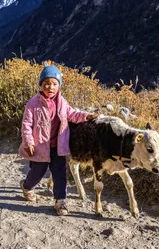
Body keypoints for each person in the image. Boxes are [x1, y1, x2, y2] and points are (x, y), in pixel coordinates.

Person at [19, 64, 99, 216]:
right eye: (46, 83)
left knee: (60, 175)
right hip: (39, 147)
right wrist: (28, 142)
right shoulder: (33, 104)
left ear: (59, 86)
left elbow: (72, 114)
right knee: (37, 173)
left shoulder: (62, 102)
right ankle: (26, 186)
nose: (50, 87)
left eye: (55, 83)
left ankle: (60, 201)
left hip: (58, 147)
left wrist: (86, 116)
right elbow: (26, 125)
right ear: (41, 85)